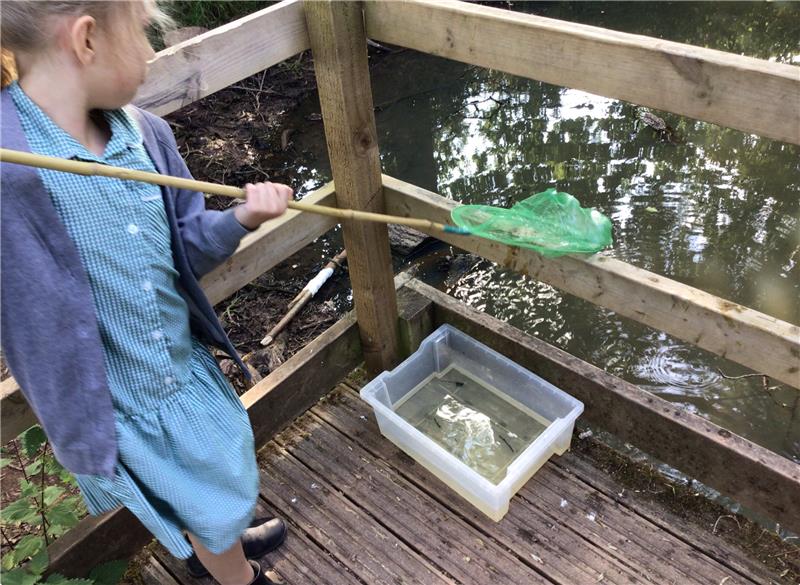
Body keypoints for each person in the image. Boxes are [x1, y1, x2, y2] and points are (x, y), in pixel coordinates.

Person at [0, 2, 292, 584]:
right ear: (86, 41)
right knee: (202, 498)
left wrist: (239, 221)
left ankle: (222, 536)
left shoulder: (147, 136)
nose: (152, 50)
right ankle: (232, 569)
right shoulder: (10, 174)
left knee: (217, 475)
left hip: (181, 373)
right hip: (119, 404)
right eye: (142, 33)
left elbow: (188, 243)